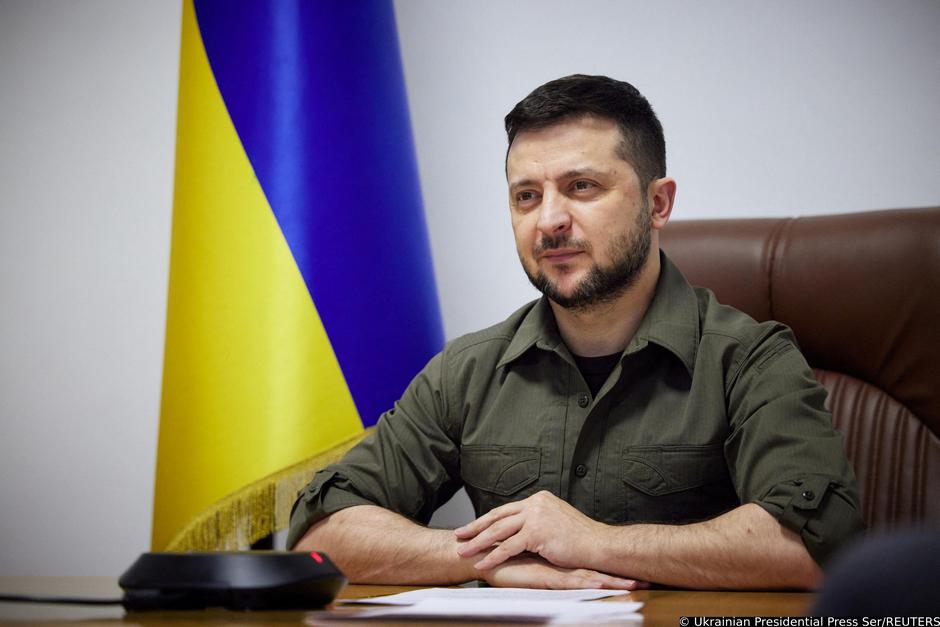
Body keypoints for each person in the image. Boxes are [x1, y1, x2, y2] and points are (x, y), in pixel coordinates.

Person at [287, 75, 863, 590]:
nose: (549, 221)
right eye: (527, 196)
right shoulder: (467, 371)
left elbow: (816, 545)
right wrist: (480, 557)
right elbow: (322, 533)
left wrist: (593, 541)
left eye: (582, 186)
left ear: (658, 203)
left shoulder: (749, 361)